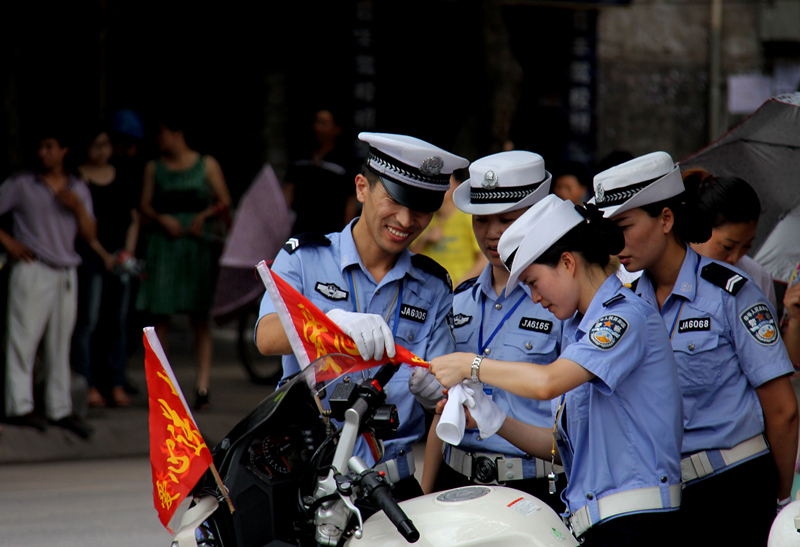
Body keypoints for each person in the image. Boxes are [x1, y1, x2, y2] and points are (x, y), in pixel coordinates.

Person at [429, 194, 684, 546]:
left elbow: (547, 383)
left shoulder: (623, 316)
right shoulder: (578, 327)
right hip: (597, 519)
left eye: (533, 282)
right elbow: (561, 447)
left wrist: (471, 365)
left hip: (635, 520)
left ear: (567, 262)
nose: (534, 298)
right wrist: (493, 420)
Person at [593, 151, 798, 545]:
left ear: (666, 219)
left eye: (624, 226)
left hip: (731, 490)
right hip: (659, 496)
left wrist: (781, 499)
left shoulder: (730, 293)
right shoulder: (623, 301)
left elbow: (782, 410)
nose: (614, 241)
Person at [256, 132, 469, 500]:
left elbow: (443, 387)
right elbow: (266, 336)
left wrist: (435, 394)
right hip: (307, 479)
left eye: (421, 208)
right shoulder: (305, 258)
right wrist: (330, 325)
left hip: (390, 486)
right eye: (394, 200)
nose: (405, 220)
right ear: (361, 188)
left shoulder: (433, 286)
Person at [418, 151, 566, 509]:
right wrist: (423, 496)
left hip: (532, 486)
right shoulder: (459, 301)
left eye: (507, 219)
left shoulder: (561, 304)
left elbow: (574, 436)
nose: (493, 233)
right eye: (481, 220)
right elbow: (443, 411)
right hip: (455, 482)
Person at [0, 128, 96, 438]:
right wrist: (9, 243)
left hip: (65, 272)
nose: (44, 153)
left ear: (64, 150)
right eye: (40, 147)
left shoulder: (77, 187)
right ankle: (19, 405)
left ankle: (59, 408)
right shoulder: (22, 184)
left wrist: (77, 207)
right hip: (33, 267)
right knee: (23, 340)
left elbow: (90, 235)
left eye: (50, 147)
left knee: (60, 343)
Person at [136, 114, 232, 410]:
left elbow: (224, 200)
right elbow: (144, 204)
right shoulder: (154, 167)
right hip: (165, 244)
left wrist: (203, 217)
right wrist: (162, 219)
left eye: (162, 133)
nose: (159, 140)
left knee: (200, 317)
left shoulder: (206, 164)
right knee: (160, 316)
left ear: (177, 134)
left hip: (196, 244)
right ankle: (162, 386)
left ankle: (202, 385)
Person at [71, 126, 140, 408]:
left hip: (119, 257)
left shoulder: (121, 174)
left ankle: (116, 381)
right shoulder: (78, 178)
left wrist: (127, 253)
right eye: (95, 145)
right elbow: (82, 225)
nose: (101, 151)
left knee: (118, 321)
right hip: (91, 256)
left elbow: (133, 218)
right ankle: (87, 382)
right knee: (88, 320)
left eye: (105, 144)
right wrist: (103, 255)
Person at [683, 167, 777, 308]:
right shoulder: (662, 273)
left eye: (746, 246)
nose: (734, 258)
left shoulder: (759, 278)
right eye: (727, 247)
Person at [284, 108, 358, 235]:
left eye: (323, 123)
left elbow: (350, 202)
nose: (318, 127)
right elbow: (288, 192)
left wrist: (345, 235)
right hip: (299, 231)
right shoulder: (301, 157)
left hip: (329, 232)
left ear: (337, 129)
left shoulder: (344, 162)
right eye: (317, 122)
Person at [409, 167, 487, 285]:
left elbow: (484, 260)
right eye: (434, 182)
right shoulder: (424, 219)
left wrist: (459, 286)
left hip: (462, 291)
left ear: (457, 186)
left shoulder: (469, 218)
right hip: (429, 291)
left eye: (444, 181)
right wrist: (424, 239)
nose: (438, 187)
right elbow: (410, 260)